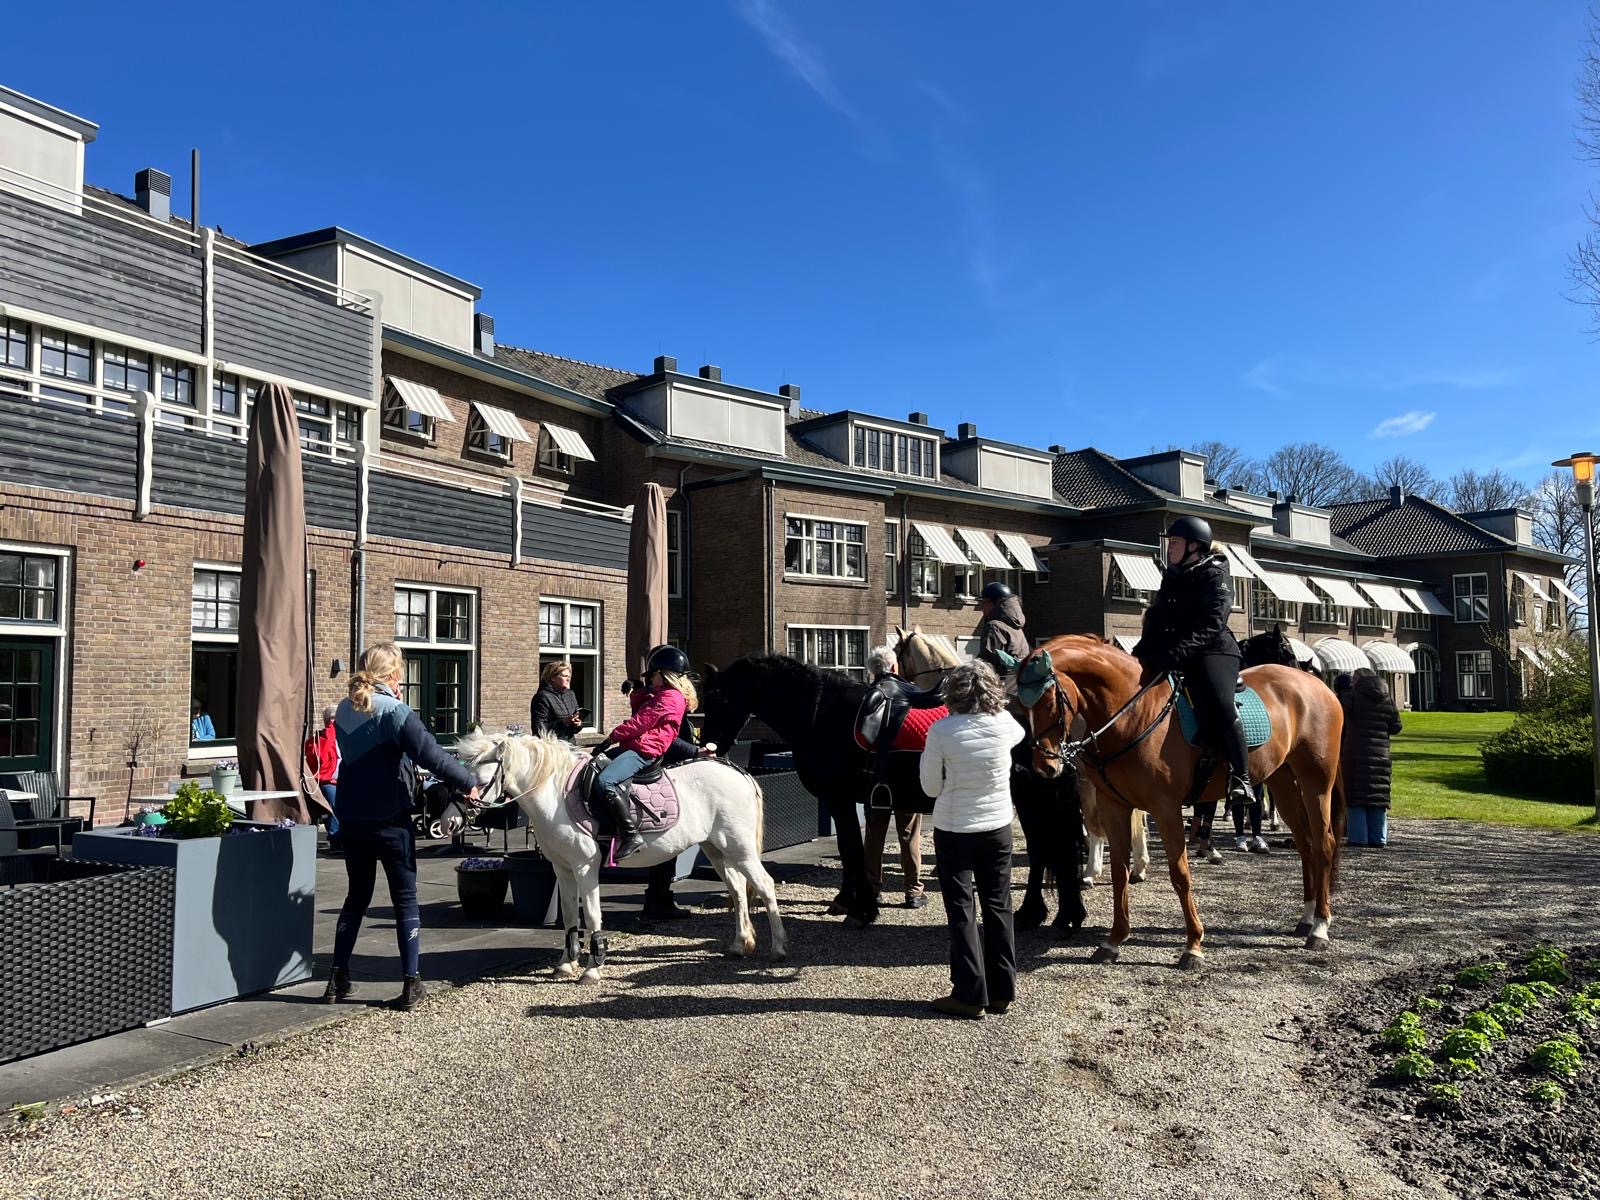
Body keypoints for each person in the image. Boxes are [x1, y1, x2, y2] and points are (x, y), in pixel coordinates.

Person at [322, 642, 477, 1011]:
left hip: (352, 818)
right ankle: (411, 983)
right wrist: (468, 781)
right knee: (404, 898)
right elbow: (433, 756)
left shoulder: (345, 708)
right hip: (390, 819)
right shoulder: (396, 711)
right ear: (394, 675)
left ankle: (336, 977)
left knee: (356, 896)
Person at [1132, 516, 1254, 866]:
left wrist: (1176, 652)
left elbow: (1213, 624)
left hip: (1213, 651)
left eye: (1174, 543)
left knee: (1217, 701)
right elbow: (1156, 617)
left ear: (1194, 546)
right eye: (1169, 543)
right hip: (1175, 651)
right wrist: (1140, 653)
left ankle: (1241, 778)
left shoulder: (1215, 574)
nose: (1169, 548)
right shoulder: (1172, 575)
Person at [919, 661, 1023, 1019]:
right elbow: (1018, 733)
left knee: (962, 909)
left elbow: (929, 787)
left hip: (954, 827)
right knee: (999, 905)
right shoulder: (1004, 726)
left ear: (953, 692)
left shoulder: (941, 730)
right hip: (997, 826)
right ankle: (1002, 990)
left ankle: (969, 992)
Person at [592, 644, 696, 860]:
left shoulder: (670, 698)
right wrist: (642, 689)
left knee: (606, 782)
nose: (649, 679)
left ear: (663, 674)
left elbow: (640, 721)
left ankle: (630, 835)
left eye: (652, 675)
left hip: (645, 751)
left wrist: (611, 737)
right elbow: (640, 708)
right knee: (591, 766)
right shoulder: (662, 694)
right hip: (635, 746)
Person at [862, 645, 930, 910]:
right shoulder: (914, 695)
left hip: (876, 778)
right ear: (894, 667)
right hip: (907, 778)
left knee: (874, 832)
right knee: (909, 834)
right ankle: (913, 890)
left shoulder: (867, 698)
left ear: (872, 671)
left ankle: (872, 888)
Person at [1341, 667, 1402, 847]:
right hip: (1381, 754)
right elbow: (1396, 726)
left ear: (1357, 681)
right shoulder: (1387, 699)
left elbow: (1338, 716)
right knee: (1378, 795)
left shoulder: (1352, 697)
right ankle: (1379, 838)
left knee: (1355, 795)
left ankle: (1358, 837)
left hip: (1355, 753)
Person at [304, 704, 342, 851]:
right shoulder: (319, 740)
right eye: (332, 719)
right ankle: (336, 840)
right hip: (327, 782)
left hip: (346, 780)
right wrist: (331, 731)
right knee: (332, 798)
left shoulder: (345, 738)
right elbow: (320, 757)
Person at [974, 580, 1029, 678]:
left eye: (984, 602)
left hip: (1000, 683)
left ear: (998, 602)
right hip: (1019, 681)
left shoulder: (994, 626)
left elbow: (986, 662)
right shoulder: (1016, 627)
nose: (981, 606)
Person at [531, 660, 584, 742]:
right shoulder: (542, 697)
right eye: (565, 676)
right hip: (552, 748)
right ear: (553, 678)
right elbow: (538, 729)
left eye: (569, 677)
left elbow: (575, 726)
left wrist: (578, 724)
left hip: (570, 746)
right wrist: (564, 722)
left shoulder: (570, 694)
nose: (568, 679)